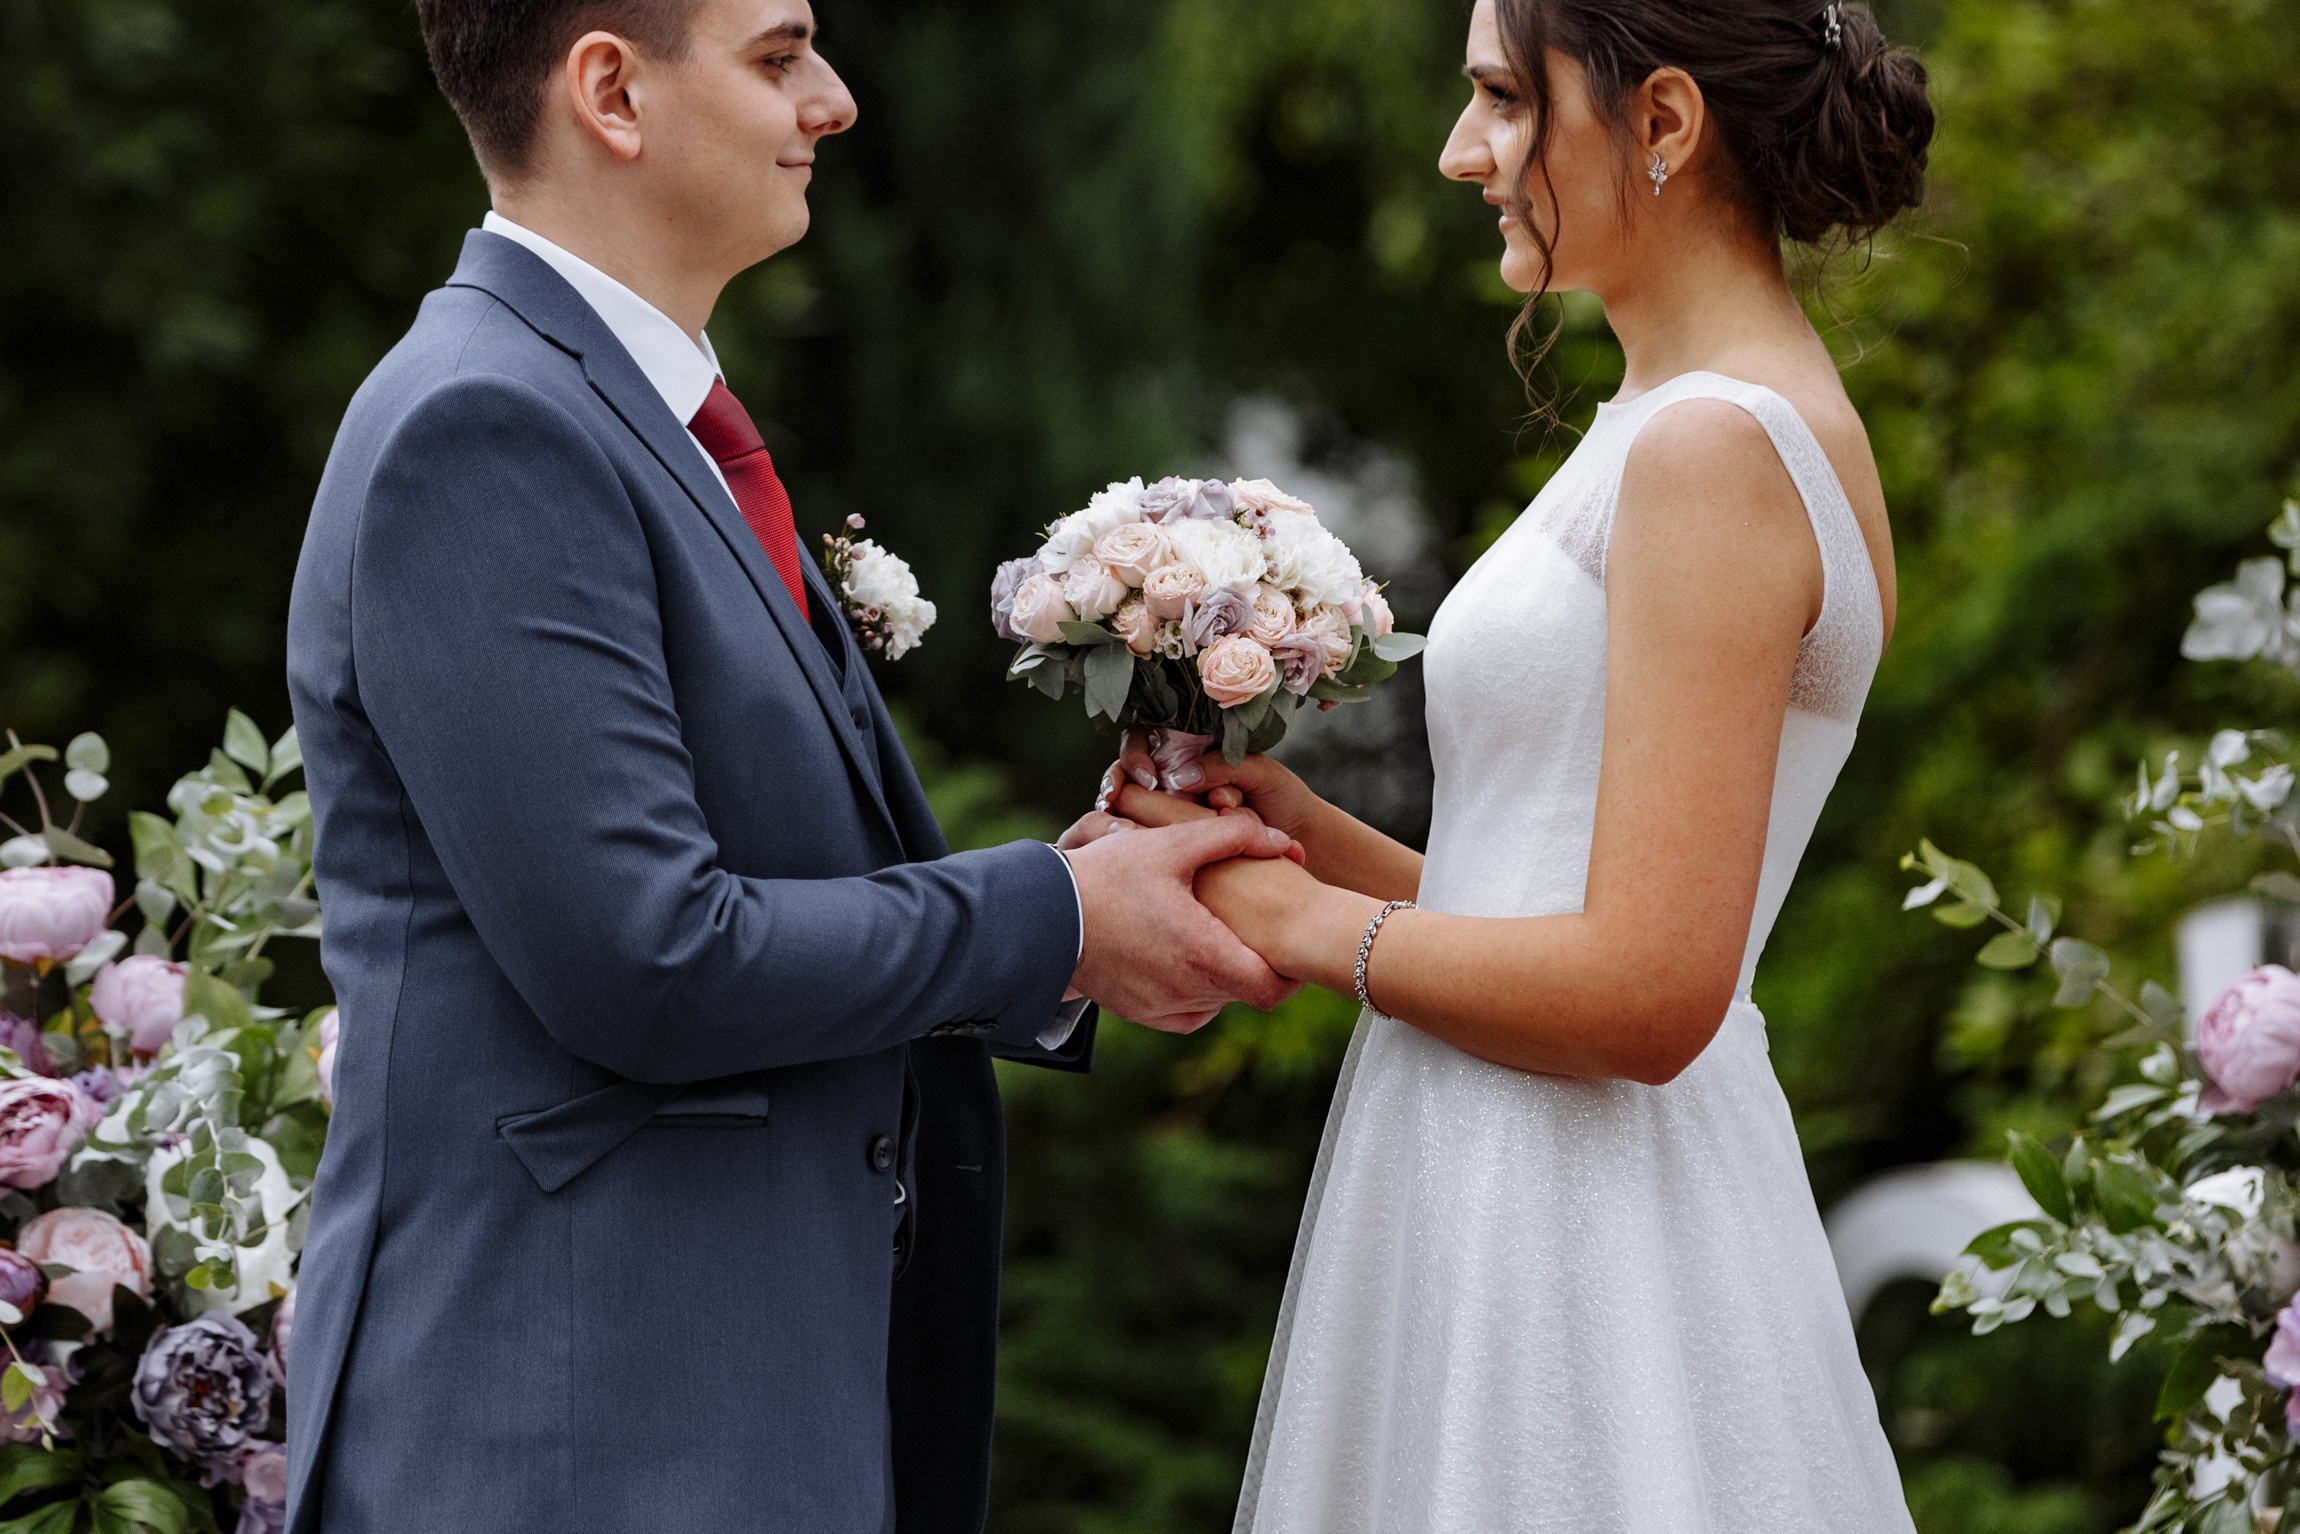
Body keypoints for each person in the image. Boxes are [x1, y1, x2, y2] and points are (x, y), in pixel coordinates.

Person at [281, 1, 1299, 1529]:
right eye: (778, 57)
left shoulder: (639, 418)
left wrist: (1079, 903)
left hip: (715, 1421)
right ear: (612, 91)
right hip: (573, 1445)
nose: (833, 101)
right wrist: (1057, 921)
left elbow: (772, 888)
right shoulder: (484, 428)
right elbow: (648, 957)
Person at [1092, 0, 1934, 1527]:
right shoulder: (1673, 420)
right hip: (1512, 1172)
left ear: (1663, 122)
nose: (1459, 150)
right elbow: (1564, 895)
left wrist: (1305, 925)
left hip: (1587, 1234)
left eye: (1501, 96)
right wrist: (1309, 838)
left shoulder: (1716, 449)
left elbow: (1653, 989)